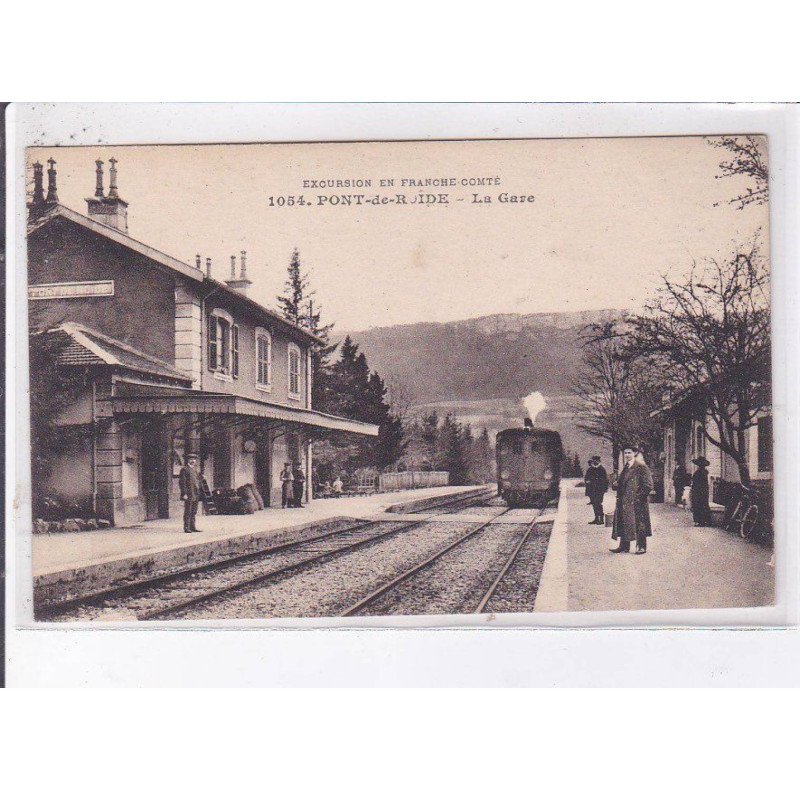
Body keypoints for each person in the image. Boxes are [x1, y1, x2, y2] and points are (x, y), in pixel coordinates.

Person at [610, 445, 654, 555]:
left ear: (635, 453)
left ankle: (641, 546)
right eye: (625, 453)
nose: (627, 455)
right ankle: (624, 546)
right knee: (624, 521)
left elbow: (648, 485)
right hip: (624, 500)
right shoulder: (626, 467)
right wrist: (616, 484)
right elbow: (623, 483)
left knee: (640, 523)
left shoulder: (641, 466)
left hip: (637, 501)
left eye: (629, 452)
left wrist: (639, 497)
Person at [178, 453, 202, 533]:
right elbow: (182, 482)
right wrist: (184, 493)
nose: (193, 461)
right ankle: (186, 527)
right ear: (188, 460)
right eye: (191, 459)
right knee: (188, 511)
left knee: (194, 511)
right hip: (189, 493)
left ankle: (193, 527)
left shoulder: (195, 470)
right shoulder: (184, 469)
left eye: (194, 459)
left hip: (195, 493)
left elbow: (197, 481)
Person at [584, 456, 609, 525]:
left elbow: (605, 480)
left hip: (599, 490)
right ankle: (596, 518)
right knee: (594, 504)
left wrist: (604, 489)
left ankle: (601, 519)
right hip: (592, 490)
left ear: (599, 461)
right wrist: (587, 481)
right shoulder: (590, 469)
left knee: (598, 504)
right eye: (594, 460)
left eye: (596, 460)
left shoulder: (602, 469)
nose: (595, 462)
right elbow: (586, 478)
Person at [690, 457, 711, 526]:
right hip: (703, 491)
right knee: (704, 505)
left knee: (698, 505)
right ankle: (705, 521)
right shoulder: (704, 471)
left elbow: (696, 482)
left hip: (698, 491)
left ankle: (700, 521)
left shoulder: (699, 472)